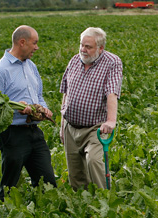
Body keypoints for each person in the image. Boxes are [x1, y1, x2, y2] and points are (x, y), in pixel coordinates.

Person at [0, 25, 57, 201]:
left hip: (34, 132)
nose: (36, 47)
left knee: (47, 182)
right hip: (12, 134)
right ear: (22, 42)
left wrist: (43, 107)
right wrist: (15, 108)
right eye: (34, 43)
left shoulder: (31, 66)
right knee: (10, 185)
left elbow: (38, 95)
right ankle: (6, 210)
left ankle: (44, 210)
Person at [60, 27, 123, 190]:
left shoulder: (112, 62)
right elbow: (66, 93)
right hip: (71, 127)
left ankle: (105, 201)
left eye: (88, 47)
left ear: (100, 48)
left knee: (94, 161)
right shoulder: (74, 61)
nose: (83, 50)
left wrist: (111, 121)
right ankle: (83, 206)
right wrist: (62, 126)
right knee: (76, 175)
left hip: (95, 127)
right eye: (82, 45)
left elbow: (112, 92)